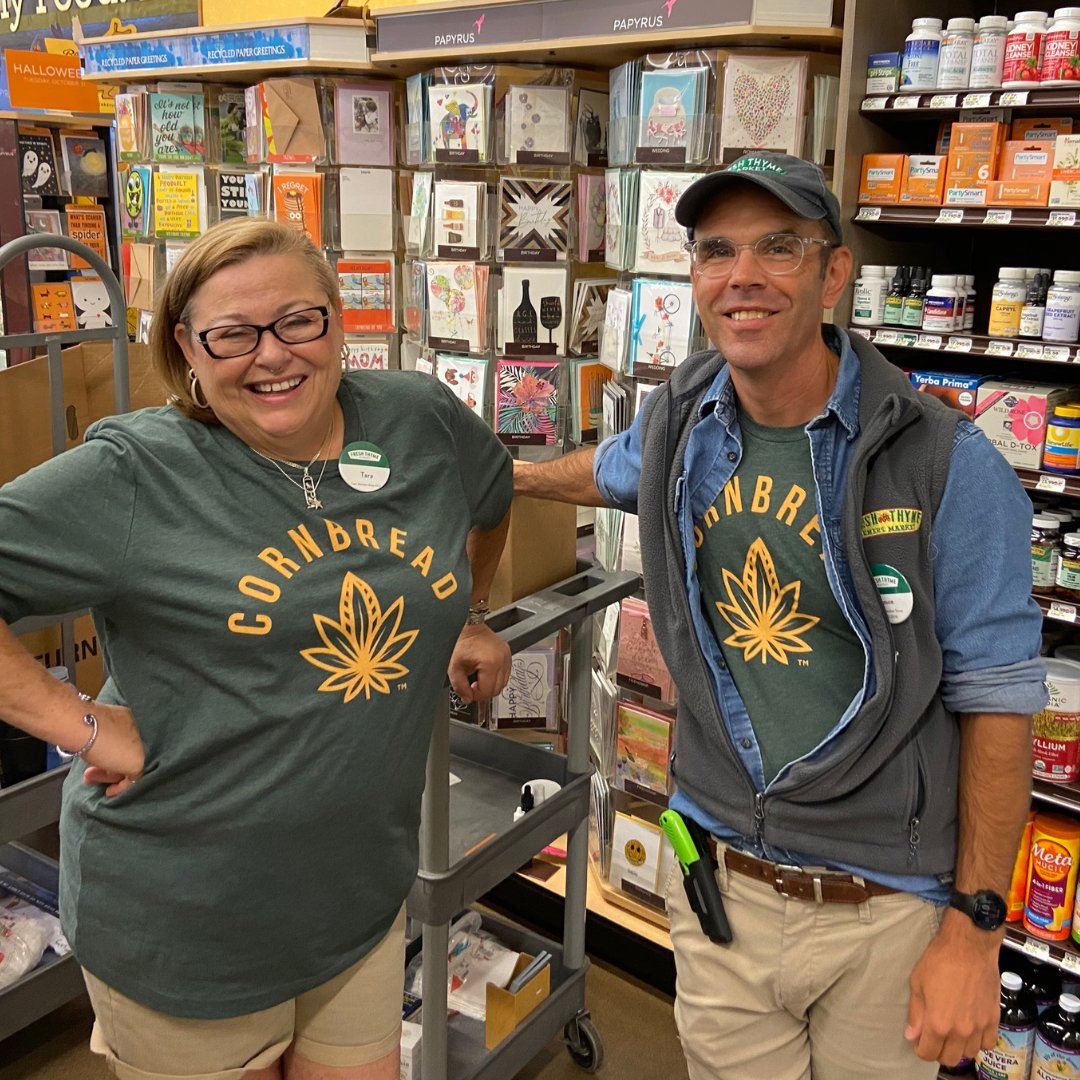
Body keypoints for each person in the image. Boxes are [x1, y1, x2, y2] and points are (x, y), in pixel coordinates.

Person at [515, 152, 1045, 1078]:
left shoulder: (943, 464)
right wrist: (502, 475)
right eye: (716, 250)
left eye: (779, 248)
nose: (742, 276)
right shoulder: (685, 414)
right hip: (719, 887)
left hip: (883, 910)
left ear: (835, 272)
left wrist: (975, 928)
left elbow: (999, 704)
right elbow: (607, 471)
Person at [0, 218, 513, 1080]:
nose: (272, 355)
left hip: (357, 898)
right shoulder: (137, 477)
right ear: (185, 350)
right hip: (187, 924)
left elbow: (489, 497)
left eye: (297, 321)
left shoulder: (416, 419)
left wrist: (466, 613)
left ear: (337, 321)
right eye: (232, 334)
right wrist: (80, 724)